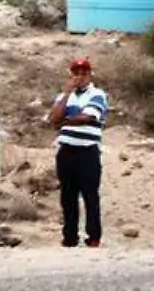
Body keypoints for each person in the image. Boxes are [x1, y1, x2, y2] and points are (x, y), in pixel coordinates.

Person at [46, 57, 108, 247]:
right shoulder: (64, 97)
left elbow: (88, 117)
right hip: (66, 151)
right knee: (67, 196)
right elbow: (52, 118)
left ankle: (94, 236)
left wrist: (64, 121)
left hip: (87, 151)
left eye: (84, 73)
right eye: (76, 73)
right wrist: (66, 93)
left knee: (90, 195)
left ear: (90, 75)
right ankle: (70, 237)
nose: (80, 77)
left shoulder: (97, 94)